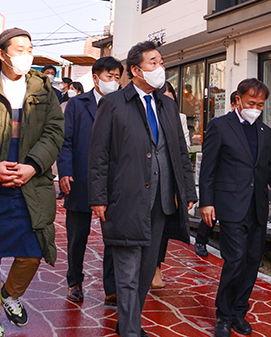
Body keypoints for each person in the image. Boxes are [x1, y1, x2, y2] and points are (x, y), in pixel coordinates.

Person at [88, 40, 196, 337]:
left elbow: (179, 151)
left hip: (161, 200)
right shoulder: (113, 104)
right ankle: (131, 331)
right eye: (153, 62)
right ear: (136, 70)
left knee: (147, 270)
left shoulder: (168, 105)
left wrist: (188, 190)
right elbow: (98, 155)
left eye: (161, 62)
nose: (160, 68)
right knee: (127, 271)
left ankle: (128, 323)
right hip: (126, 199)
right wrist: (98, 197)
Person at [0, 28, 65, 337]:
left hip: (31, 181)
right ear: (2, 54)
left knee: (33, 250)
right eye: (19, 49)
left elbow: (54, 132)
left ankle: (10, 294)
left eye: (29, 49)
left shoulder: (45, 90)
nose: (26, 55)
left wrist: (33, 166)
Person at [199, 78, 271, 337]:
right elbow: (208, 169)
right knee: (235, 259)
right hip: (230, 206)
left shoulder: (264, 131)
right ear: (238, 100)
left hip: (257, 207)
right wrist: (207, 202)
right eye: (251, 103)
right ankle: (224, 315)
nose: (255, 108)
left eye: (260, 105)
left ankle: (240, 312)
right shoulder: (220, 126)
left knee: (251, 262)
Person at [57, 56, 123, 306]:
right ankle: (74, 282)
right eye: (109, 76)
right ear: (95, 78)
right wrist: (65, 171)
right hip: (81, 178)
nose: (113, 81)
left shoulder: (123, 104)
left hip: (113, 181)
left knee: (113, 238)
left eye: (117, 77)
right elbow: (65, 141)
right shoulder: (77, 104)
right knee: (77, 237)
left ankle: (112, 288)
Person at [153, 81, 191, 289]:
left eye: (172, 100)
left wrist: (187, 191)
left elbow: (184, 149)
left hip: (169, 178)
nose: (168, 104)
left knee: (162, 227)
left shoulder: (179, 117)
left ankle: (156, 267)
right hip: (146, 178)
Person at [194, 90, 239, 259]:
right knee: (212, 216)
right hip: (220, 180)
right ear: (233, 104)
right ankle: (200, 241)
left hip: (236, 183)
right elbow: (210, 159)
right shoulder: (220, 125)